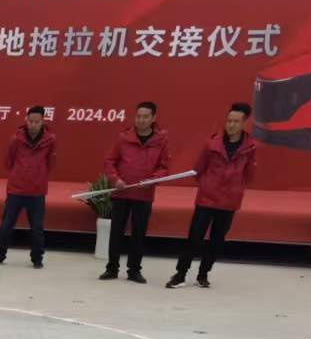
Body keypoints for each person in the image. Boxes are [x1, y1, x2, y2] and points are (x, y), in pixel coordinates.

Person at [168, 102, 258, 289]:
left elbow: (249, 175)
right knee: (194, 238)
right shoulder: (212, 143)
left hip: (229, 201)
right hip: (207, 199)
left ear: (244, 123)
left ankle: (203, 274)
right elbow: (199, 168)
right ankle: (180, 274)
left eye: (236, 121)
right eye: (229, 120)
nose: (231, 124)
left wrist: (235, 186)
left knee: (217, 241)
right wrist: (209, 183)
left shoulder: (250, 147)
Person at [100, 101, 172, 283]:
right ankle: (112, 268)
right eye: (138, 116)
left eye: (145, 117)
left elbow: (164, 167)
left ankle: (134, 271)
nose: (141, 120)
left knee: (138, 234)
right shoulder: (123, 138)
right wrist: (115, 179)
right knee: (116, 233)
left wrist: (152, 180)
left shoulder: (161, 141)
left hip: (144, 194)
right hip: (121, 193)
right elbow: (109, 161)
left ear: (153, 118)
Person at [0, 106, 55, 269]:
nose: (33, 124)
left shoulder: (50, 140)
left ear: (43, 122)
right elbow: (9, 161)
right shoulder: (16, 139)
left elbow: (51, 163)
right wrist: (19, 174)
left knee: (37, 228)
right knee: (6, 225)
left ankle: (37, 259)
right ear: (26, 120)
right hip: (16, 189)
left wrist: (38, 175)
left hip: (37, 191)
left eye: (37, 122)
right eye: (30, 121)